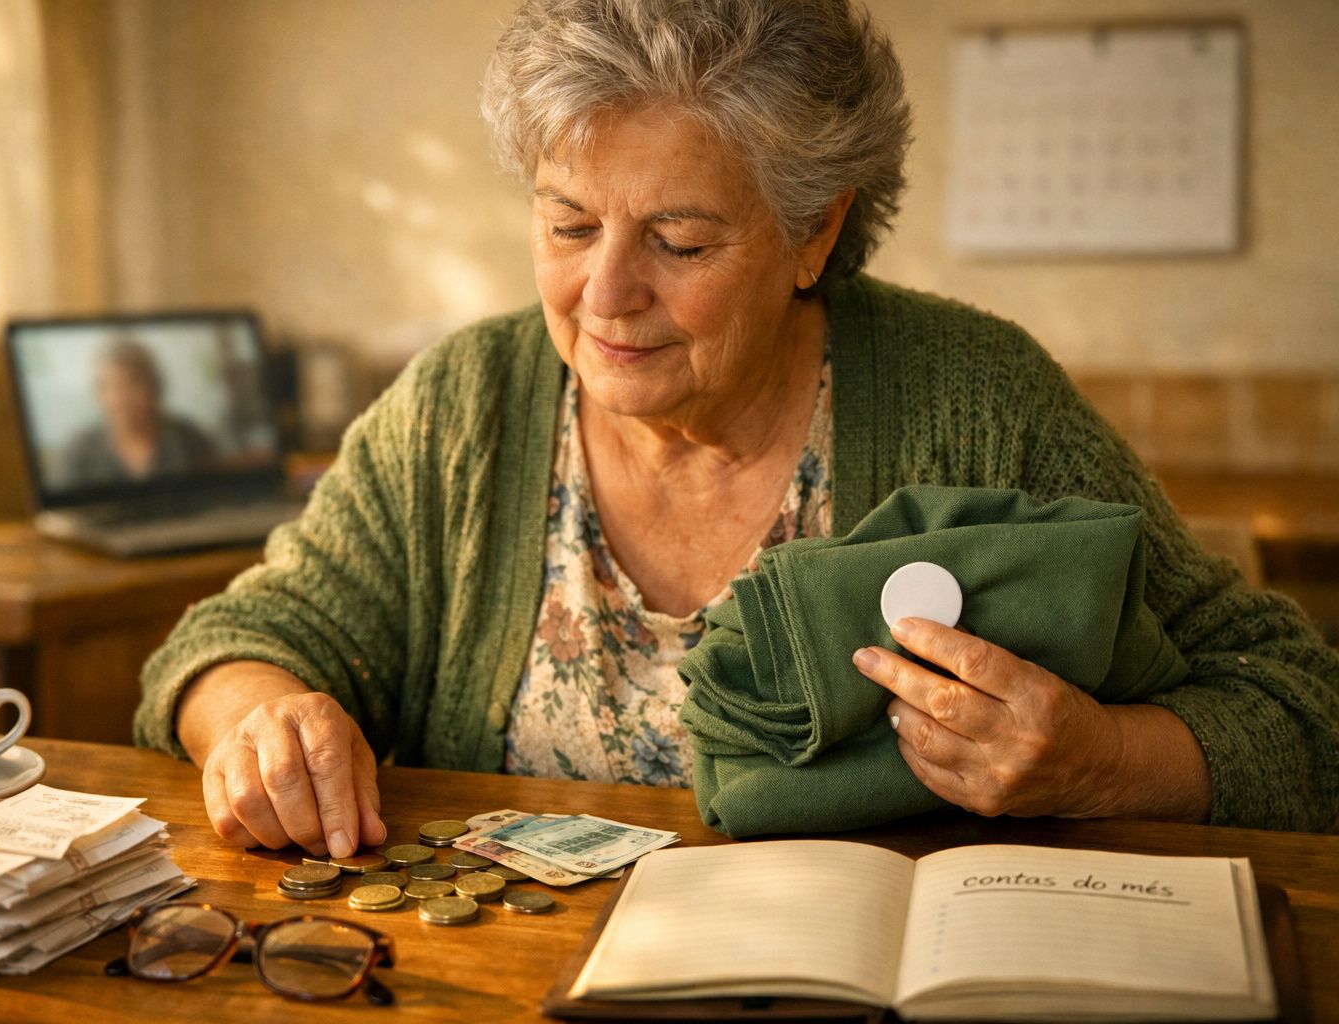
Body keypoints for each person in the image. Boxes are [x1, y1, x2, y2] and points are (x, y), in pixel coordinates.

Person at [136, 0, 1339, 857]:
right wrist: (262, 716)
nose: (605, 295)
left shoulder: (979, 398)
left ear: (815, 234)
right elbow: (240, 637)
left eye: (681, 241)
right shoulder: (464, 405)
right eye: (568, 226)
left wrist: (1097, 761)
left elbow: (1301, 713)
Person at [58, 335, 217, 489]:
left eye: (131, 384)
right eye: (107, 386)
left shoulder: (190, 440)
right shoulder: (80, 451)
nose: (119, 398)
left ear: (154, 386)